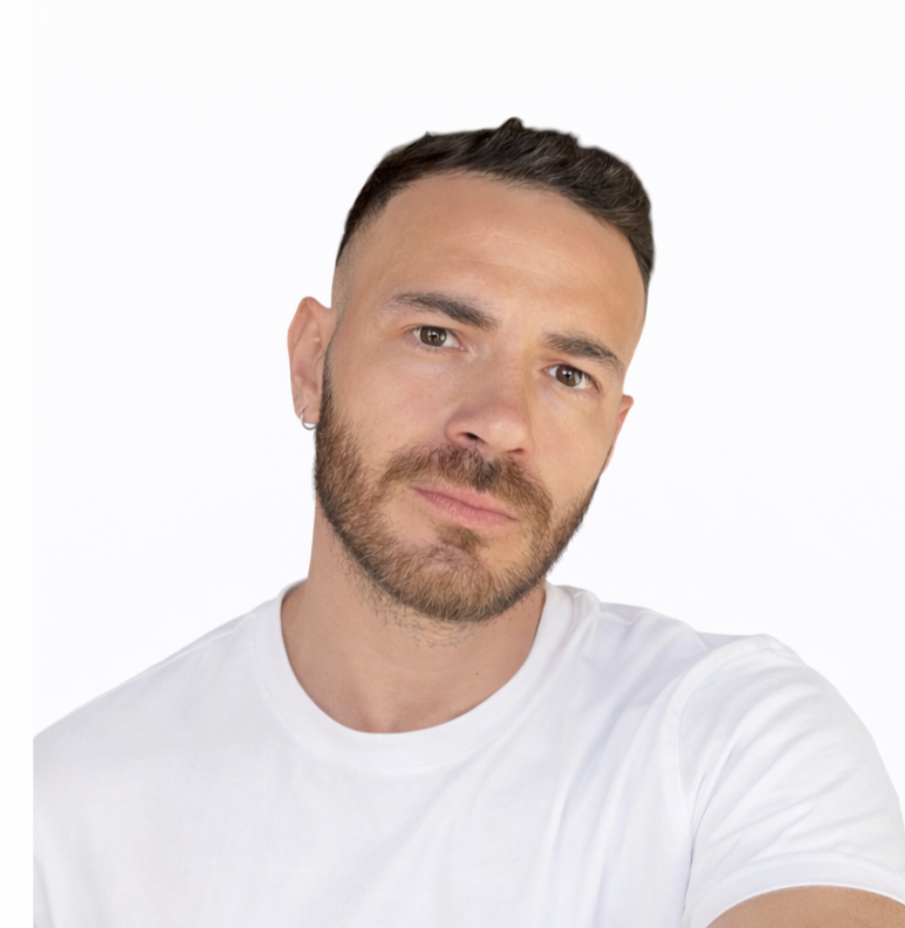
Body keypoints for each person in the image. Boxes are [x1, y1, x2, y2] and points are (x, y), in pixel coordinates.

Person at [34, 118, 905, 927]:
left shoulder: (736, 739)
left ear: (610, 435)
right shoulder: (64, 810)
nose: (499, 422)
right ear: (311, 363)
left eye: (567, 375)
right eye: (437, 335)